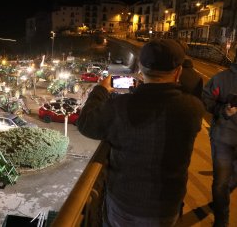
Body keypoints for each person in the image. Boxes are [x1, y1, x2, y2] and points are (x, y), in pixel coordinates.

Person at [78, 39, 205, 227]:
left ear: (140, 69)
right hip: (165, 206)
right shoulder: (192, 108)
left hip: (124, 203)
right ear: (178, 72)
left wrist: (101, 89)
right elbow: (166, 101)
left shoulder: (120, 107)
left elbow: (85, 123)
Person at [202, 63, 237, 227]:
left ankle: (220, 200)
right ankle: (221, 222)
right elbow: (206, 99)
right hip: (224, 137)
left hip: (225, 137)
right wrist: (224, 110)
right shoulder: (221, 78)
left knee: (227, 182)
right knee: (221, 181)